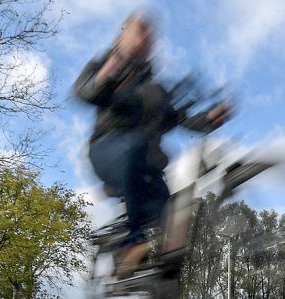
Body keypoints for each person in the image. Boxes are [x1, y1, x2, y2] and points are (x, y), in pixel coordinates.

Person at [73, 11, 232, 279]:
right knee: (136, 146)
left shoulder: (156, 90)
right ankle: (131, 244)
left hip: (146, 166)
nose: (145, 39)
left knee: (175, 222)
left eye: (149, 36)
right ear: (122, 36)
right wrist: (111, 68)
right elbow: (85, 92)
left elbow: (182, 119)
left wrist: (211, 118)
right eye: (139, 32)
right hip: (108, 150)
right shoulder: (109, 64)